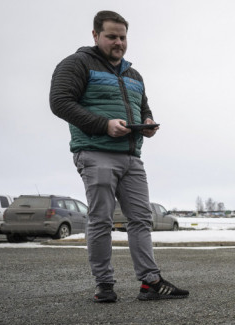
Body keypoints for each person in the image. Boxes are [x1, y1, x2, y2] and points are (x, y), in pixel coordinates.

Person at [49, 10, 189, 303]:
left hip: (131, 157)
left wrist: (147, 122)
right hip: (96, 153)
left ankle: (150, 283)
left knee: (141, 219)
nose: (118, 43)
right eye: (111, 36)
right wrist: (104, 124)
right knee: (101, 220)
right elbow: (60, 102)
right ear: (95, 35)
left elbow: (144, 106)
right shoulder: (77, 64)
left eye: (123, 37)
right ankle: (105, 285)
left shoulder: (133, 74)